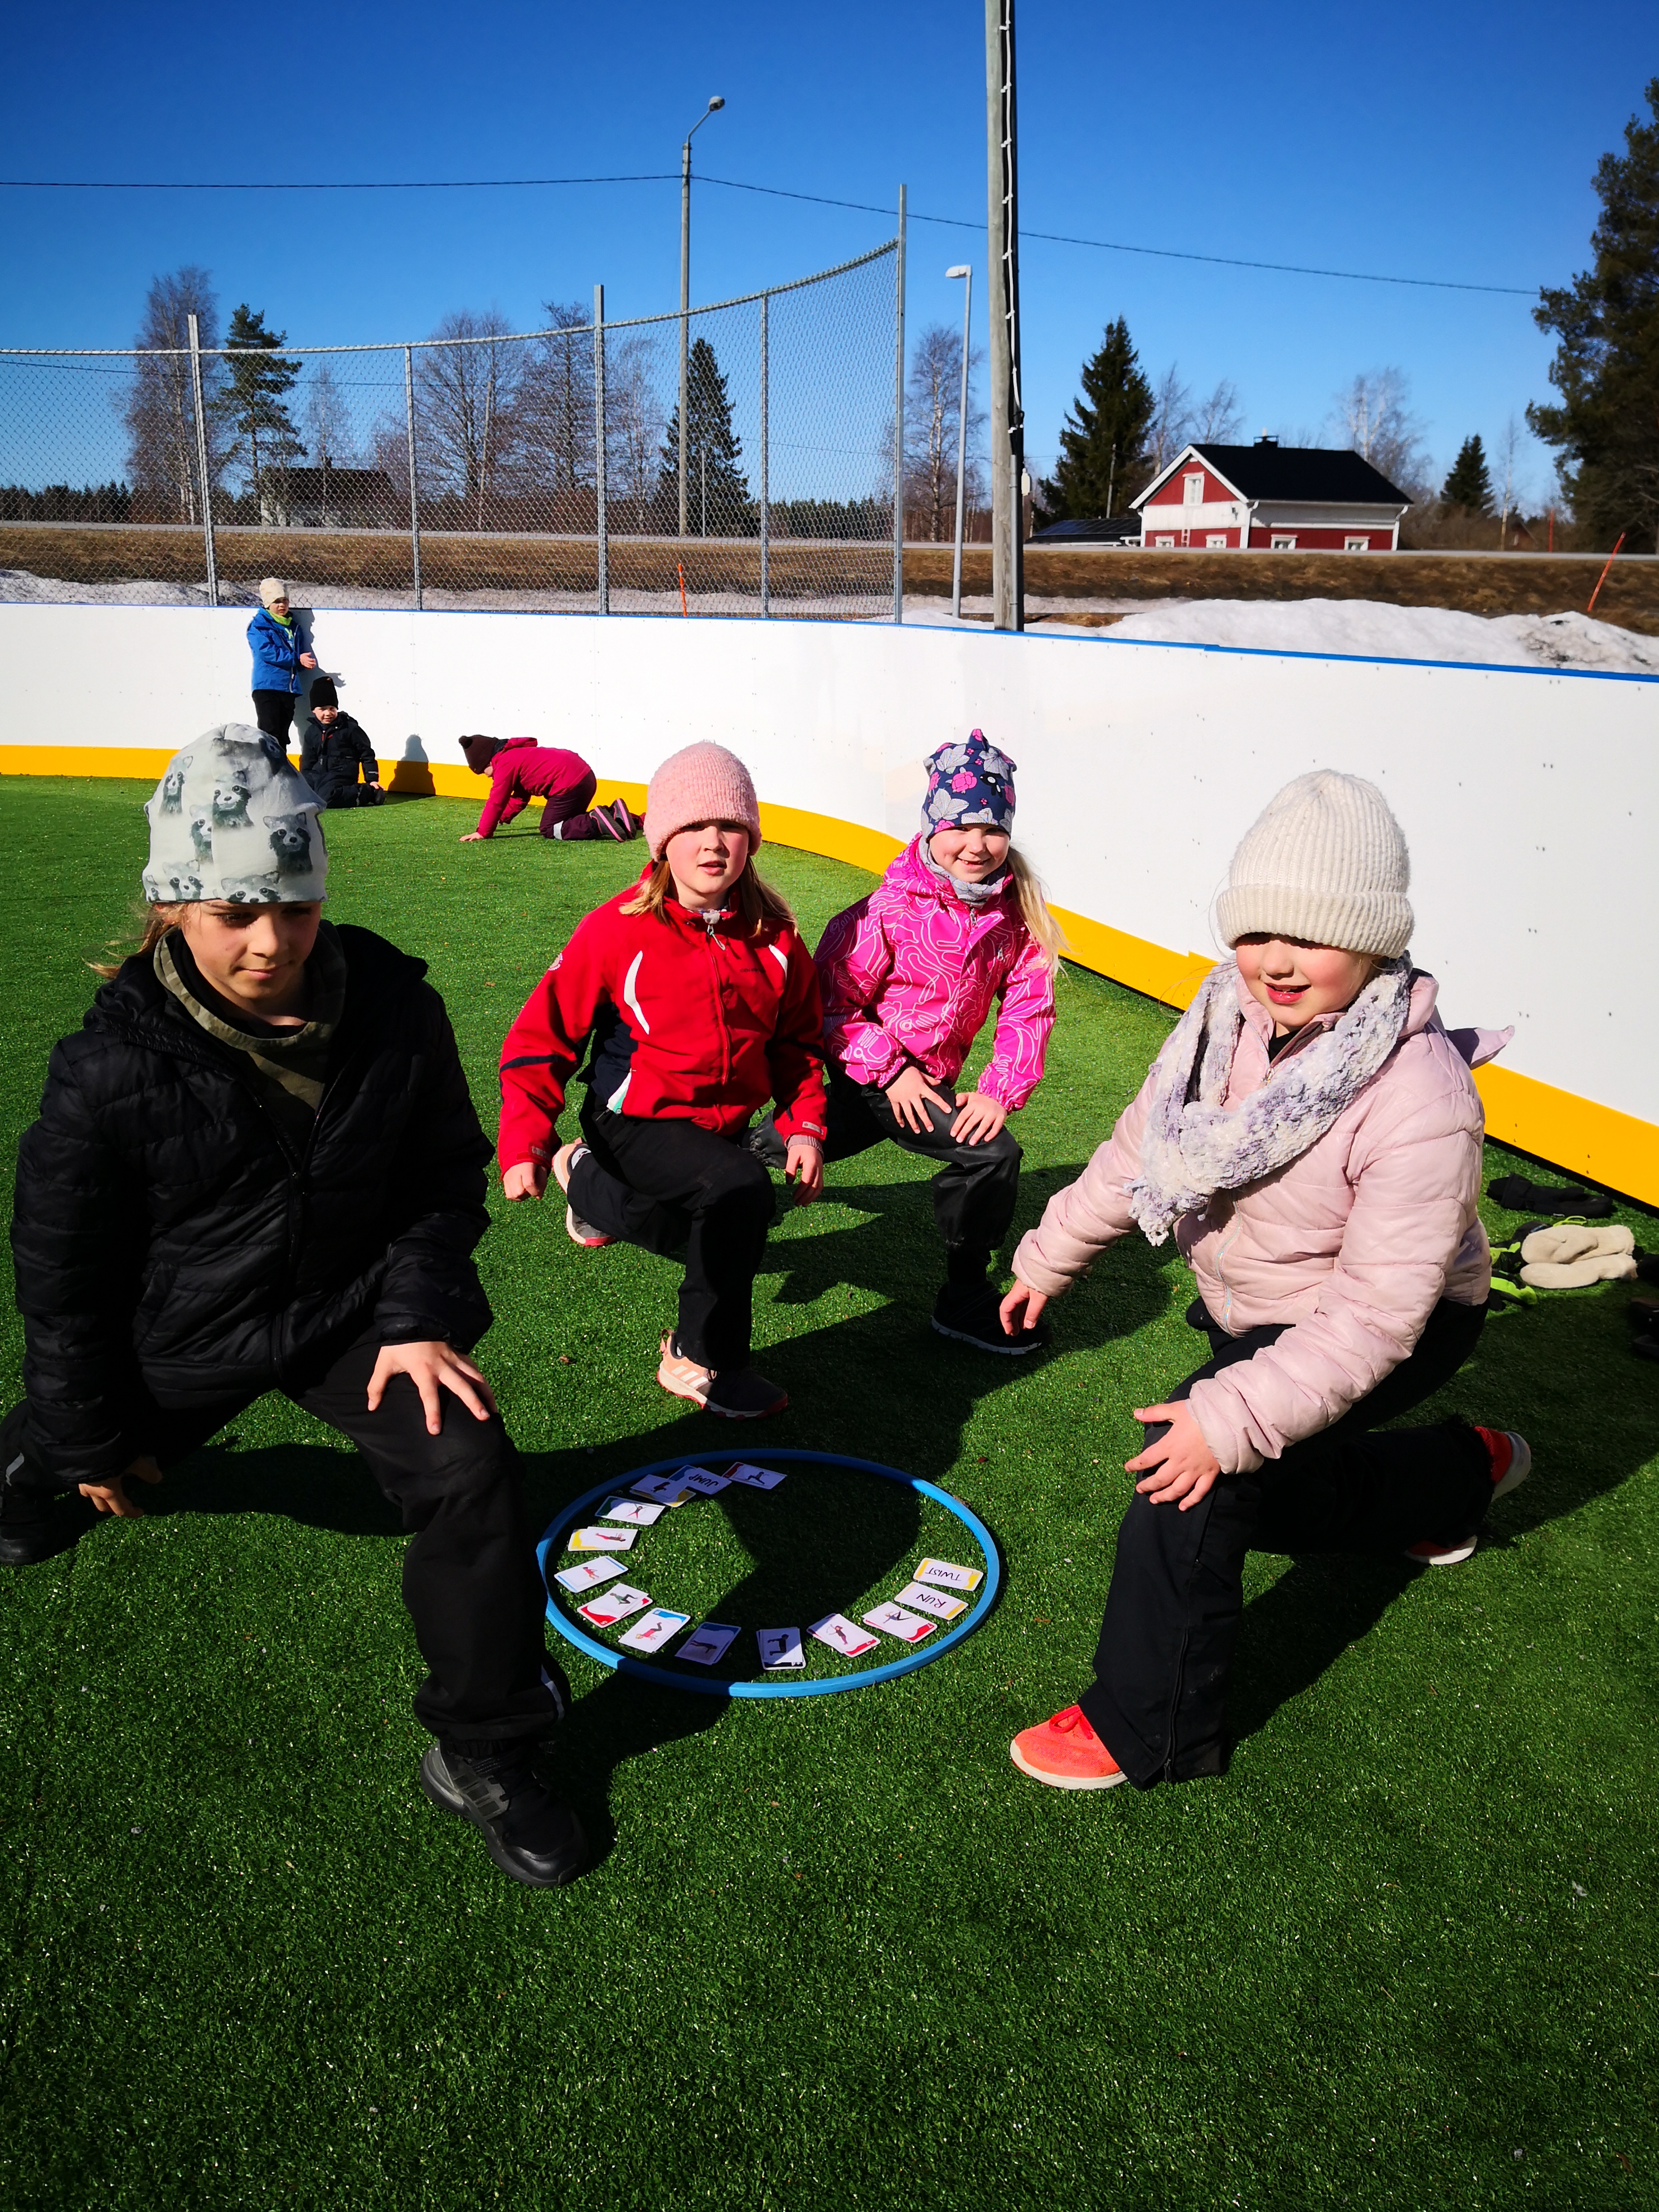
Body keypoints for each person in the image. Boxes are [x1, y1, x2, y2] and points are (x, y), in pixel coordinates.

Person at [0, 726, 584, 1889]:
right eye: (236, 912)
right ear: (174, 905)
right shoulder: (106, 1066)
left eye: (298, 907)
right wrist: (86, 1432)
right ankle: (24, 1474)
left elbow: (440, 1179)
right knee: (74, 1445)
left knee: (471, 1464)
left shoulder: (395, 1009)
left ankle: (482, 1746)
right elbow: (63, 1274)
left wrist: (416, 1315)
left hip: (352, 1313)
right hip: (187, 1326)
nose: (272, 941)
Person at [1000, 771, 1530, 1794]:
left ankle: (1147, 1724)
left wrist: (1230, 1414)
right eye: (1256, 931)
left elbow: (1375, 1315)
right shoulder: (1222, 1015)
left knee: (1193, 1481)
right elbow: (1140, 1148)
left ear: (1375, 940)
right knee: (1269, 1481)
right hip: (1262, 1304)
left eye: (1313, 934)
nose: (1277, 961)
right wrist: (1049, 1252)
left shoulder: (1420, 1095)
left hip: (1401, 1322)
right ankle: (1455, 1473)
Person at [496, 742, 827, 1419]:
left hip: (717, 1128)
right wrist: (526, 1138)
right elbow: (540, 1038)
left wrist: (805, 1125)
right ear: (662, 839)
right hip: (631, 1117)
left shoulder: (777, 937)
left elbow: (798, 1045)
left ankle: (585, 1180)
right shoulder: (614, 930)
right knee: (739, 1191)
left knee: (693, 1222)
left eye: (731, 825)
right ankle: (702, 1356)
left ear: (751, 838)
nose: (713, 842)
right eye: (693, 825)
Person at [751, 730, 1060, 1355]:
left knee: (771, 1144)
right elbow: (827, 1004)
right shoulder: (885, 909)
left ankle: (669, 1169)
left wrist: (999, 1090)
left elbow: (1029, 1008)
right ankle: (966, 1300)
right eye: (960, 825)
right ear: (931, 825)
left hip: (921, 1090)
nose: (976, 844)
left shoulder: (1014, 916)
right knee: (991, 1156)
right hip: (872, 1077)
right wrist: (892, 1071)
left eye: (993, 829)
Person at [457, 735, 640, 844]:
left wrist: (483, 831)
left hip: (568, 784)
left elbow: (497, 800)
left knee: (550, 828)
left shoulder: (504, 763)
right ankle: (619, 816)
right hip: (585, 777)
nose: (486, 776)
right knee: (569, 821)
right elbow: (520, 797)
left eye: (483, 771)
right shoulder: (515, 755)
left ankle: (596, 822)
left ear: (488, 761)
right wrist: (502, 818)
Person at [246, 578, 317, 746]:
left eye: (285, 601)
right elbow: (266, 651)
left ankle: (280, 761)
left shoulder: (293, 627)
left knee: (283, 734)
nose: (282, 605)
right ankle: (267, 762)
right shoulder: (259, 626)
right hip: (267, 687)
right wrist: (297, 659)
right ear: (267, 603)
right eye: (277, 601)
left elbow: (297, 653)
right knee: (270, 732)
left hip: (288, 687)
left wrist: (302, 662)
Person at [298, 677, 384, 808]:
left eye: (332, 708)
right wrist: (303, 781)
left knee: (326, 797)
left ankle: (369, 793)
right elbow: (308, 760)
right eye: (323, 709)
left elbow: (366, 753)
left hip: (341, 774)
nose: (328, 713)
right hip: (318, 775)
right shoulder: (311, 732)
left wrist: (372, 780)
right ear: (314, 710)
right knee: (301, 795)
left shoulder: (349, 728)